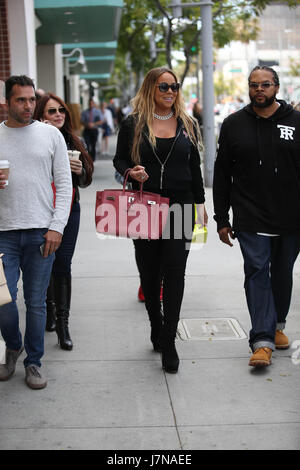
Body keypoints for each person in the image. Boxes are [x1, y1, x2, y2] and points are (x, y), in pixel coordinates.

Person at [113, 67, 207, 374]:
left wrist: (201, 204)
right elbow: (119, 159)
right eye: (164, 86)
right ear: (151, 87)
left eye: (174, 87)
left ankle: (169, 339)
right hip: (145, 204)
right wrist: (131, 171)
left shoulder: (188, 124)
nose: (170, 92)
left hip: (181, 206)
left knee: (176, 273)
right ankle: (156, 323)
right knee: (150, 273)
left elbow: (194, 167)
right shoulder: (134, 124)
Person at [213, 65, 300, 368]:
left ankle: (276, 324)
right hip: (250, 215)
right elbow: (222, 175)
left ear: (277, 87)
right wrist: (221, 219)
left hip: (291, 216)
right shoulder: (233, 124)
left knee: (282, 274)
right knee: (257, 272)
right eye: (254, 85)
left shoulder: (296, 122)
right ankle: (261, 341)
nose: (259, 90)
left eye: (265, 85)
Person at [0, 75, 72, 389]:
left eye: (31, 99)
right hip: (3, 233)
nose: (28, 105)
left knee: (37, 302)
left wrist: (57, 227)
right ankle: (14, 345)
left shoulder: (50, 135)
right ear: (7, 102)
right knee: (3, 301)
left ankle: (33, 362)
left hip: (42, 231)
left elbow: (65, 185)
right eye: (21, 100)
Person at [34, 93, 94, 350]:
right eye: (51, 111)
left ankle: (63, 325)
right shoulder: (35, 140)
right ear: (40, 116)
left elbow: (86, 179)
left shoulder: (74, 140)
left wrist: (80, 173)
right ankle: (49, 309)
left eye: (61, 110)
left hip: (70, 210)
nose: (58, 114)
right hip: (42, 210)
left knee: (63, 264)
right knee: (45, 261)